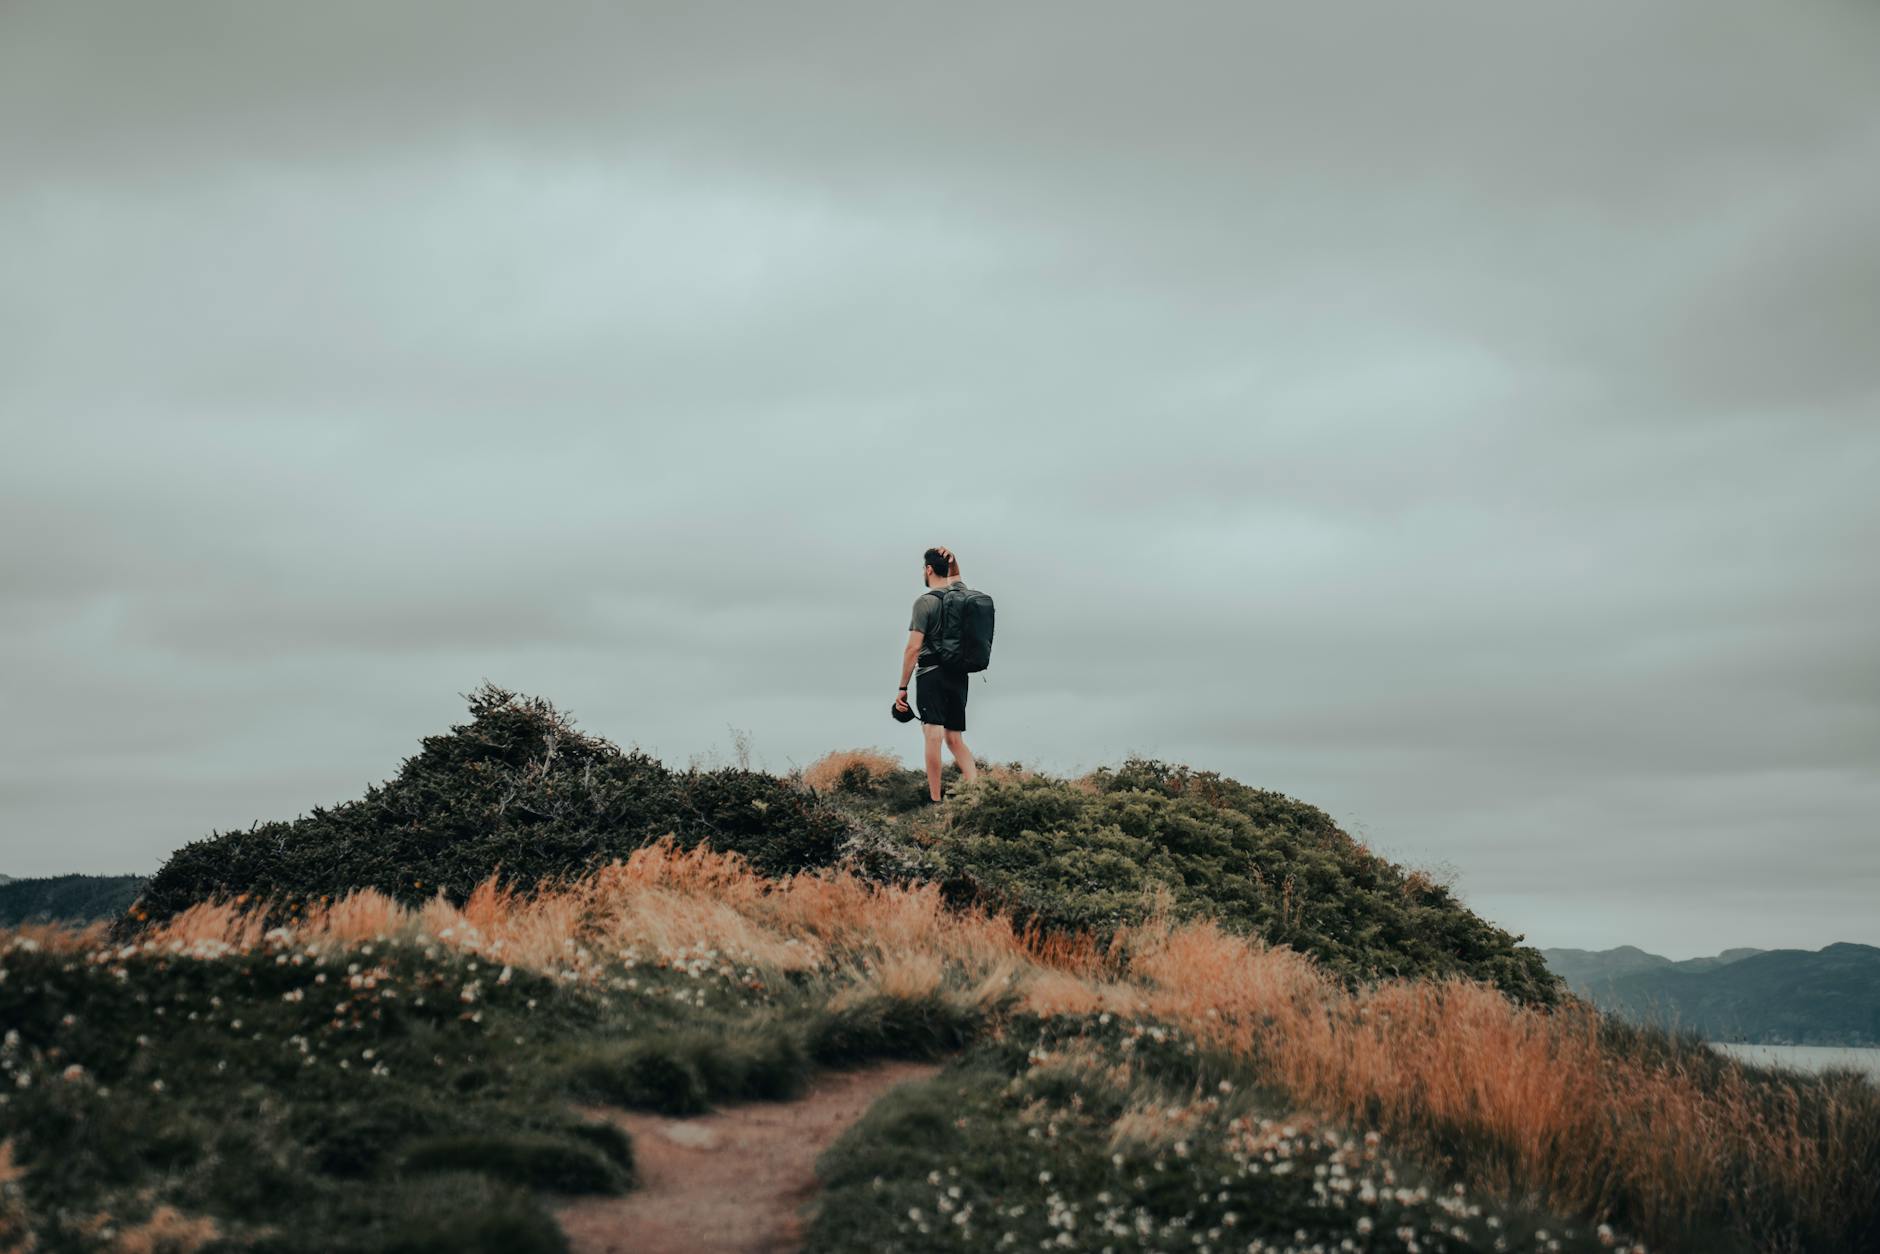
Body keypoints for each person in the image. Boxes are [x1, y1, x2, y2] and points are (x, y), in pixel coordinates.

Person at [895, 545, 979, 803]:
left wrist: (902, 687)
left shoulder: (925, 602)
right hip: (959, 674)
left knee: (932, 735)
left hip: (931, 673)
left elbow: (913, 648)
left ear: (929, 569)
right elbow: (957, 578)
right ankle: (977, 793)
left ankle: (935, 800)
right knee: (954, 738)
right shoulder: (961, 595)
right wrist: (953, 561)